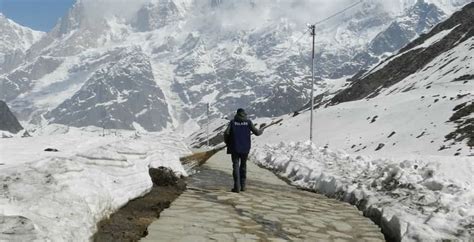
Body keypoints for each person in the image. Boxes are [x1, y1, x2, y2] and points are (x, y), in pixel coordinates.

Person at [224, 108, 263, 193]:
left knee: (235, 166)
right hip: (245, 148)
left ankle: (236, 187)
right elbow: (257, 133)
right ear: (244, 114)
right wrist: (262, 129)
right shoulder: (248, 122)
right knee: (243, 166)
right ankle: (243, 186)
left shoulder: (233, 122)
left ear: (237, 114)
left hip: (234, 148)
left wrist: (227, 142)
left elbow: (226, 133)